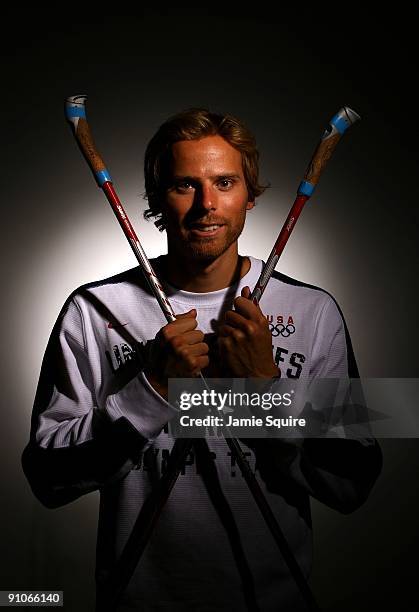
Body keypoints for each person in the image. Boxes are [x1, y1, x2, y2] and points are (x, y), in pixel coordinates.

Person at [22, 108, 382, 611]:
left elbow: (353, 482)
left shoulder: (313, 311)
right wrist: (151, 392)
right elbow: (47, 477)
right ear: (157, 201)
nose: (206, 205)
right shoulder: (93, 310)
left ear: (249, 196)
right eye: (184, 185)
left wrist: (265, 388)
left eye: (225, 182)